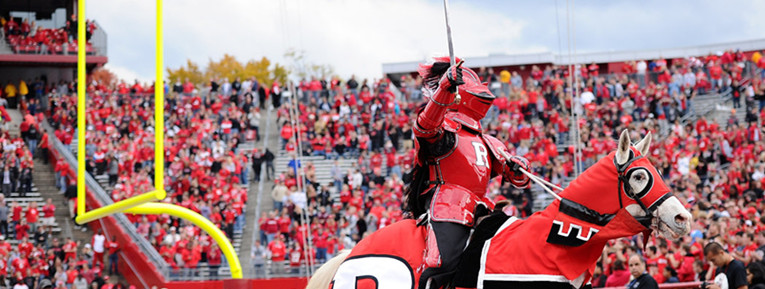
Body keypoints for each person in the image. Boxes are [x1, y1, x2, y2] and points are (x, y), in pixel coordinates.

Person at [405, 57, 530, 289]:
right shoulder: (443, 128)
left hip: (484, 207)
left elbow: (519, 180)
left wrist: (518, 167)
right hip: (449, 205)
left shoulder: (488, 140)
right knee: (440, 265)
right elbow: (425, 127)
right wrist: (444, 89)